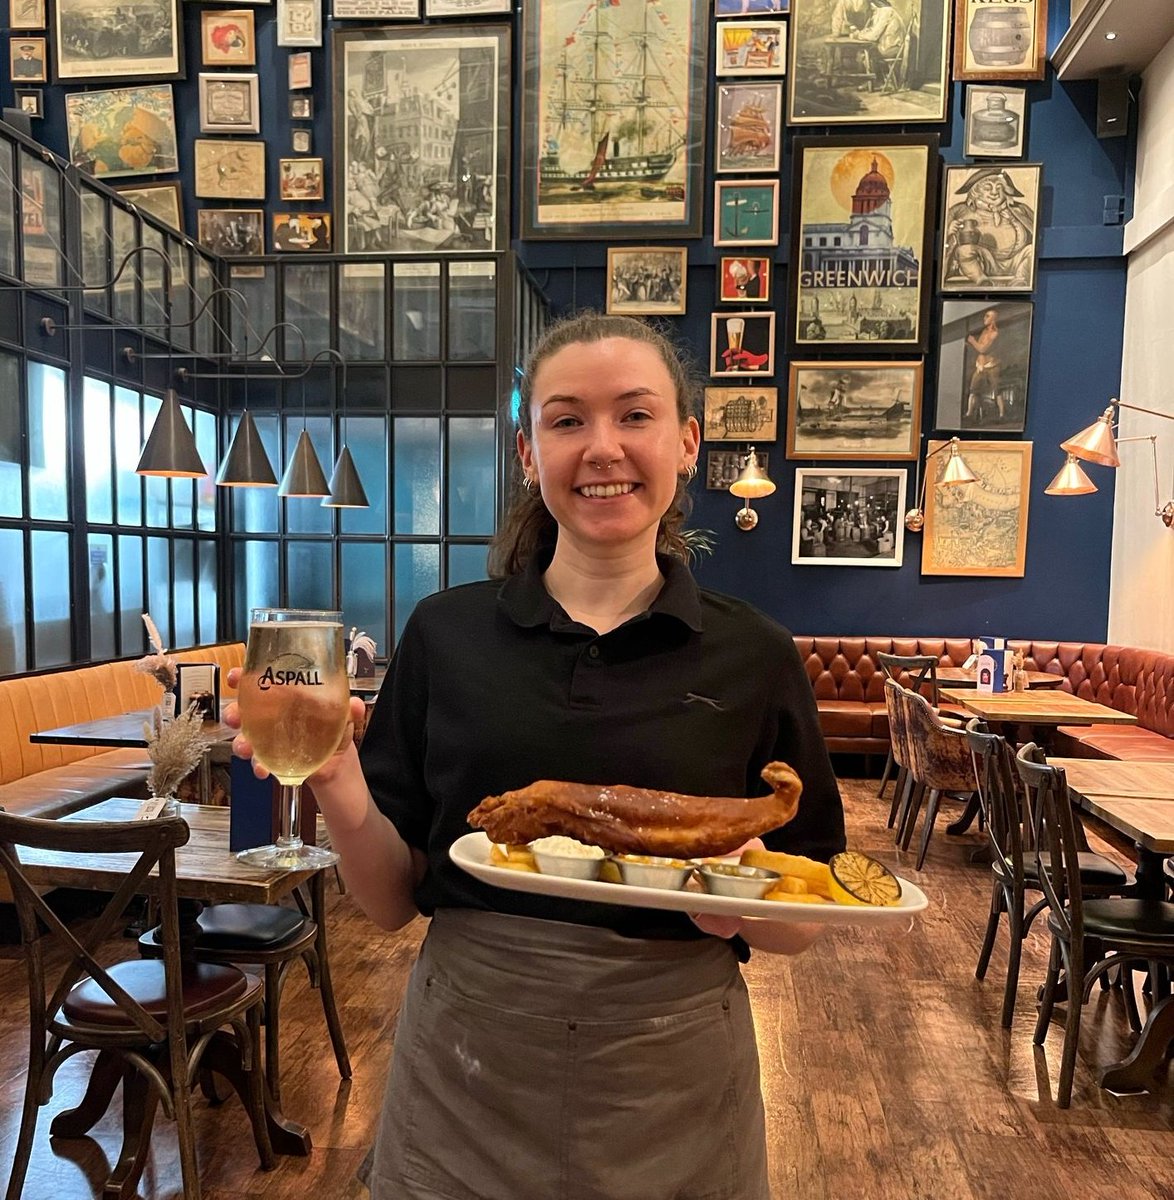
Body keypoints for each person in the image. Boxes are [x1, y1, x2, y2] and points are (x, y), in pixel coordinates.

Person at [228, 312, 845, 1200]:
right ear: (528, 453)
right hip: (467, 1060)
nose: (603, 448)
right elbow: (393, 900)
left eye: (635, 416)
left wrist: (739, 902)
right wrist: (333, 778)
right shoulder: (446, 633)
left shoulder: (755, 655)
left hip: (674, 1069)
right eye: (567, 421)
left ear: (685, 443)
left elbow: (803, 916)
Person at [964, 307, 1003, 422]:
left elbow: (983, 349)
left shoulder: (994, 334)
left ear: (993, 319)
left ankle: (1001, 415)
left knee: (996, 390)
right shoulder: (984, 332)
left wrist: (972, 341)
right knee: (973, 390)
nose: (984, 318)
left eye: (987, 316)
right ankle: (969, 413)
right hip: (980, 366)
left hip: (992, 366)